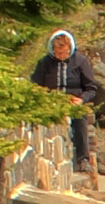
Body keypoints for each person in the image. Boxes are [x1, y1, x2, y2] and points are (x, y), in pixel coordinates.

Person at [32, 30, 100, 191]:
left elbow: (91, 88)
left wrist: (82, 99)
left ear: (70, 49)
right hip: (52, 101)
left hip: (73, 101)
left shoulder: (81, 61)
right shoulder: (44, 63)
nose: (61, 56)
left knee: (80, 120)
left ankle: (83, 159)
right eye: (58, 53)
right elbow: (35, 85)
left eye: (64, 53)